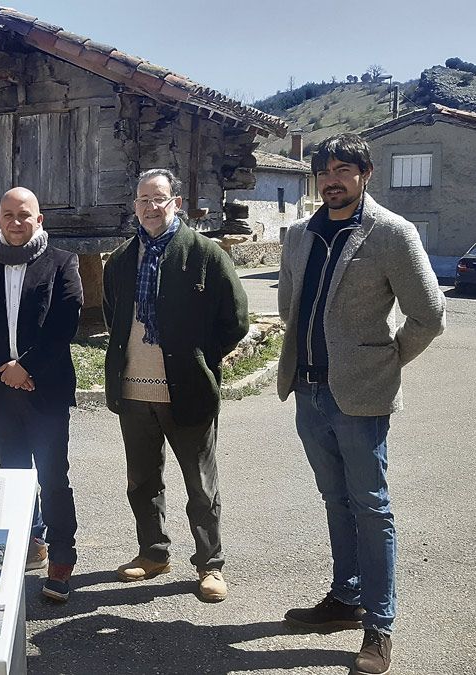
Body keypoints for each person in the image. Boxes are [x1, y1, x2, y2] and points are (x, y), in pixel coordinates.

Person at [278, 133, 446, 675]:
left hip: (360, 396)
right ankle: (344, 599)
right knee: (335, 501)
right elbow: (290, 307)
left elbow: (429, 315)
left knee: (372, 509)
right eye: (323, 171)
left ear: (365, 174)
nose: (332, 179)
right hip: (308, 390)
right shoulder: (300, 234)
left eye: (343, 169)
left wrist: (386, 363)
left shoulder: (392, 233)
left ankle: (379, 627)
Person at [102, 168, 249, 603]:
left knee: (200, 485)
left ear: (176, 203)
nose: (151, 207)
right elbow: (114, 316)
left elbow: (235, 321)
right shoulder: (121, 259)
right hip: (133, 390)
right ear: (134, 205)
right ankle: (153, 553)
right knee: (142, 481)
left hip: (187, 390)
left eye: (160, 199)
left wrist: (200, 359)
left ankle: (211, 565)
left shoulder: (205, 254)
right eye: (143, 199)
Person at [0, 187, 83, 602]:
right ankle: (26, 547)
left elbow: (65, 323)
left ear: (39, 219)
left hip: (45, 391)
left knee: (52, 479)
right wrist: (6, 371)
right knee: (13, 479)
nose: (16, 222)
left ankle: (62, 560)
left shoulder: (62, 263)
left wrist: (26, 368)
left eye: (24, 214)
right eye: (8, 214)